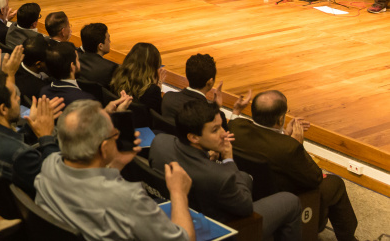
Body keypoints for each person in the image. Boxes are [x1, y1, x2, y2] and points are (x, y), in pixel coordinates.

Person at [35, 100, 196, 241]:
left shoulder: (49, 164)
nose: (118, 135)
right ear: (104, 149)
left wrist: (116, 163)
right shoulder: (129, 198)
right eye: (114, 134)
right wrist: (178, 193)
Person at [150, 100, 302, 240]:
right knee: (291, 201)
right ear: (193, 137)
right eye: (215, 130)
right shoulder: (219, 175)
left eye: (222, 125)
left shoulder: (159, 142)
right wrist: (228, 158)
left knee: (244, 177)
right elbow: (246, 207)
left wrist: (207, 156)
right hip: (222, 228)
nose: (224, 133)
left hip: (178, 210)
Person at [230, 91, 358, 241]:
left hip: (248, 191)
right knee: (334, 183)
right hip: (285, 199)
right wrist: (298, 145)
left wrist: (283, 134)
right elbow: (314, 178)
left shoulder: (235, 126)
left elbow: (265, 141)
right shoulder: (289, 148)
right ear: (280, 118)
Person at [0, 68, 63, 193]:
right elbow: (58, 182)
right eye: (14, 96)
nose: (19, 98)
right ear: (3, 109)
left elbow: (9, 141)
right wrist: (46, 137)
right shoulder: (22, 156)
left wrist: (30, 126)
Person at [161, 53, 247, 128]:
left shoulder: (168, 97)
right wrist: (235, 111)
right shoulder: (212, 114)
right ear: (210, 82)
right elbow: (228, 139)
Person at [110, 42, 165, 115]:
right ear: (153, 67)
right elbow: (158, 116)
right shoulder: (152, 91)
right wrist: (159, 89)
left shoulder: (117, 76)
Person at [76, 22, 118, 88]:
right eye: (108, 39)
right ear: (100, 46)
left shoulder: (75, 59)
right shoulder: (111, 68)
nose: (110, 42)